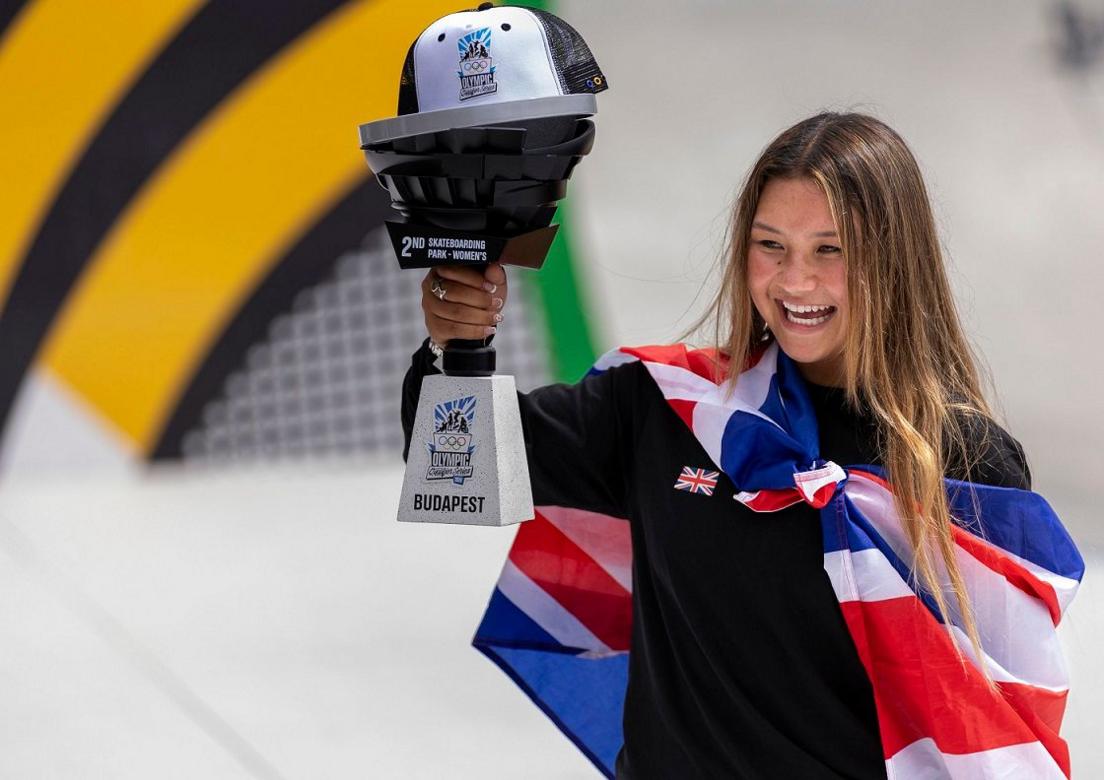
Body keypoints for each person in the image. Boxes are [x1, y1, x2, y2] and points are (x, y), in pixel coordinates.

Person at [400, 112, 1080, 779]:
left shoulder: (961, 462)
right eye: (771, 245)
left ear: (894, 260)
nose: (794, 282)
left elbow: (1003, 737)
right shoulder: (670, 407)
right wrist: (458, 347)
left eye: (830, 249)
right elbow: (460, 476)